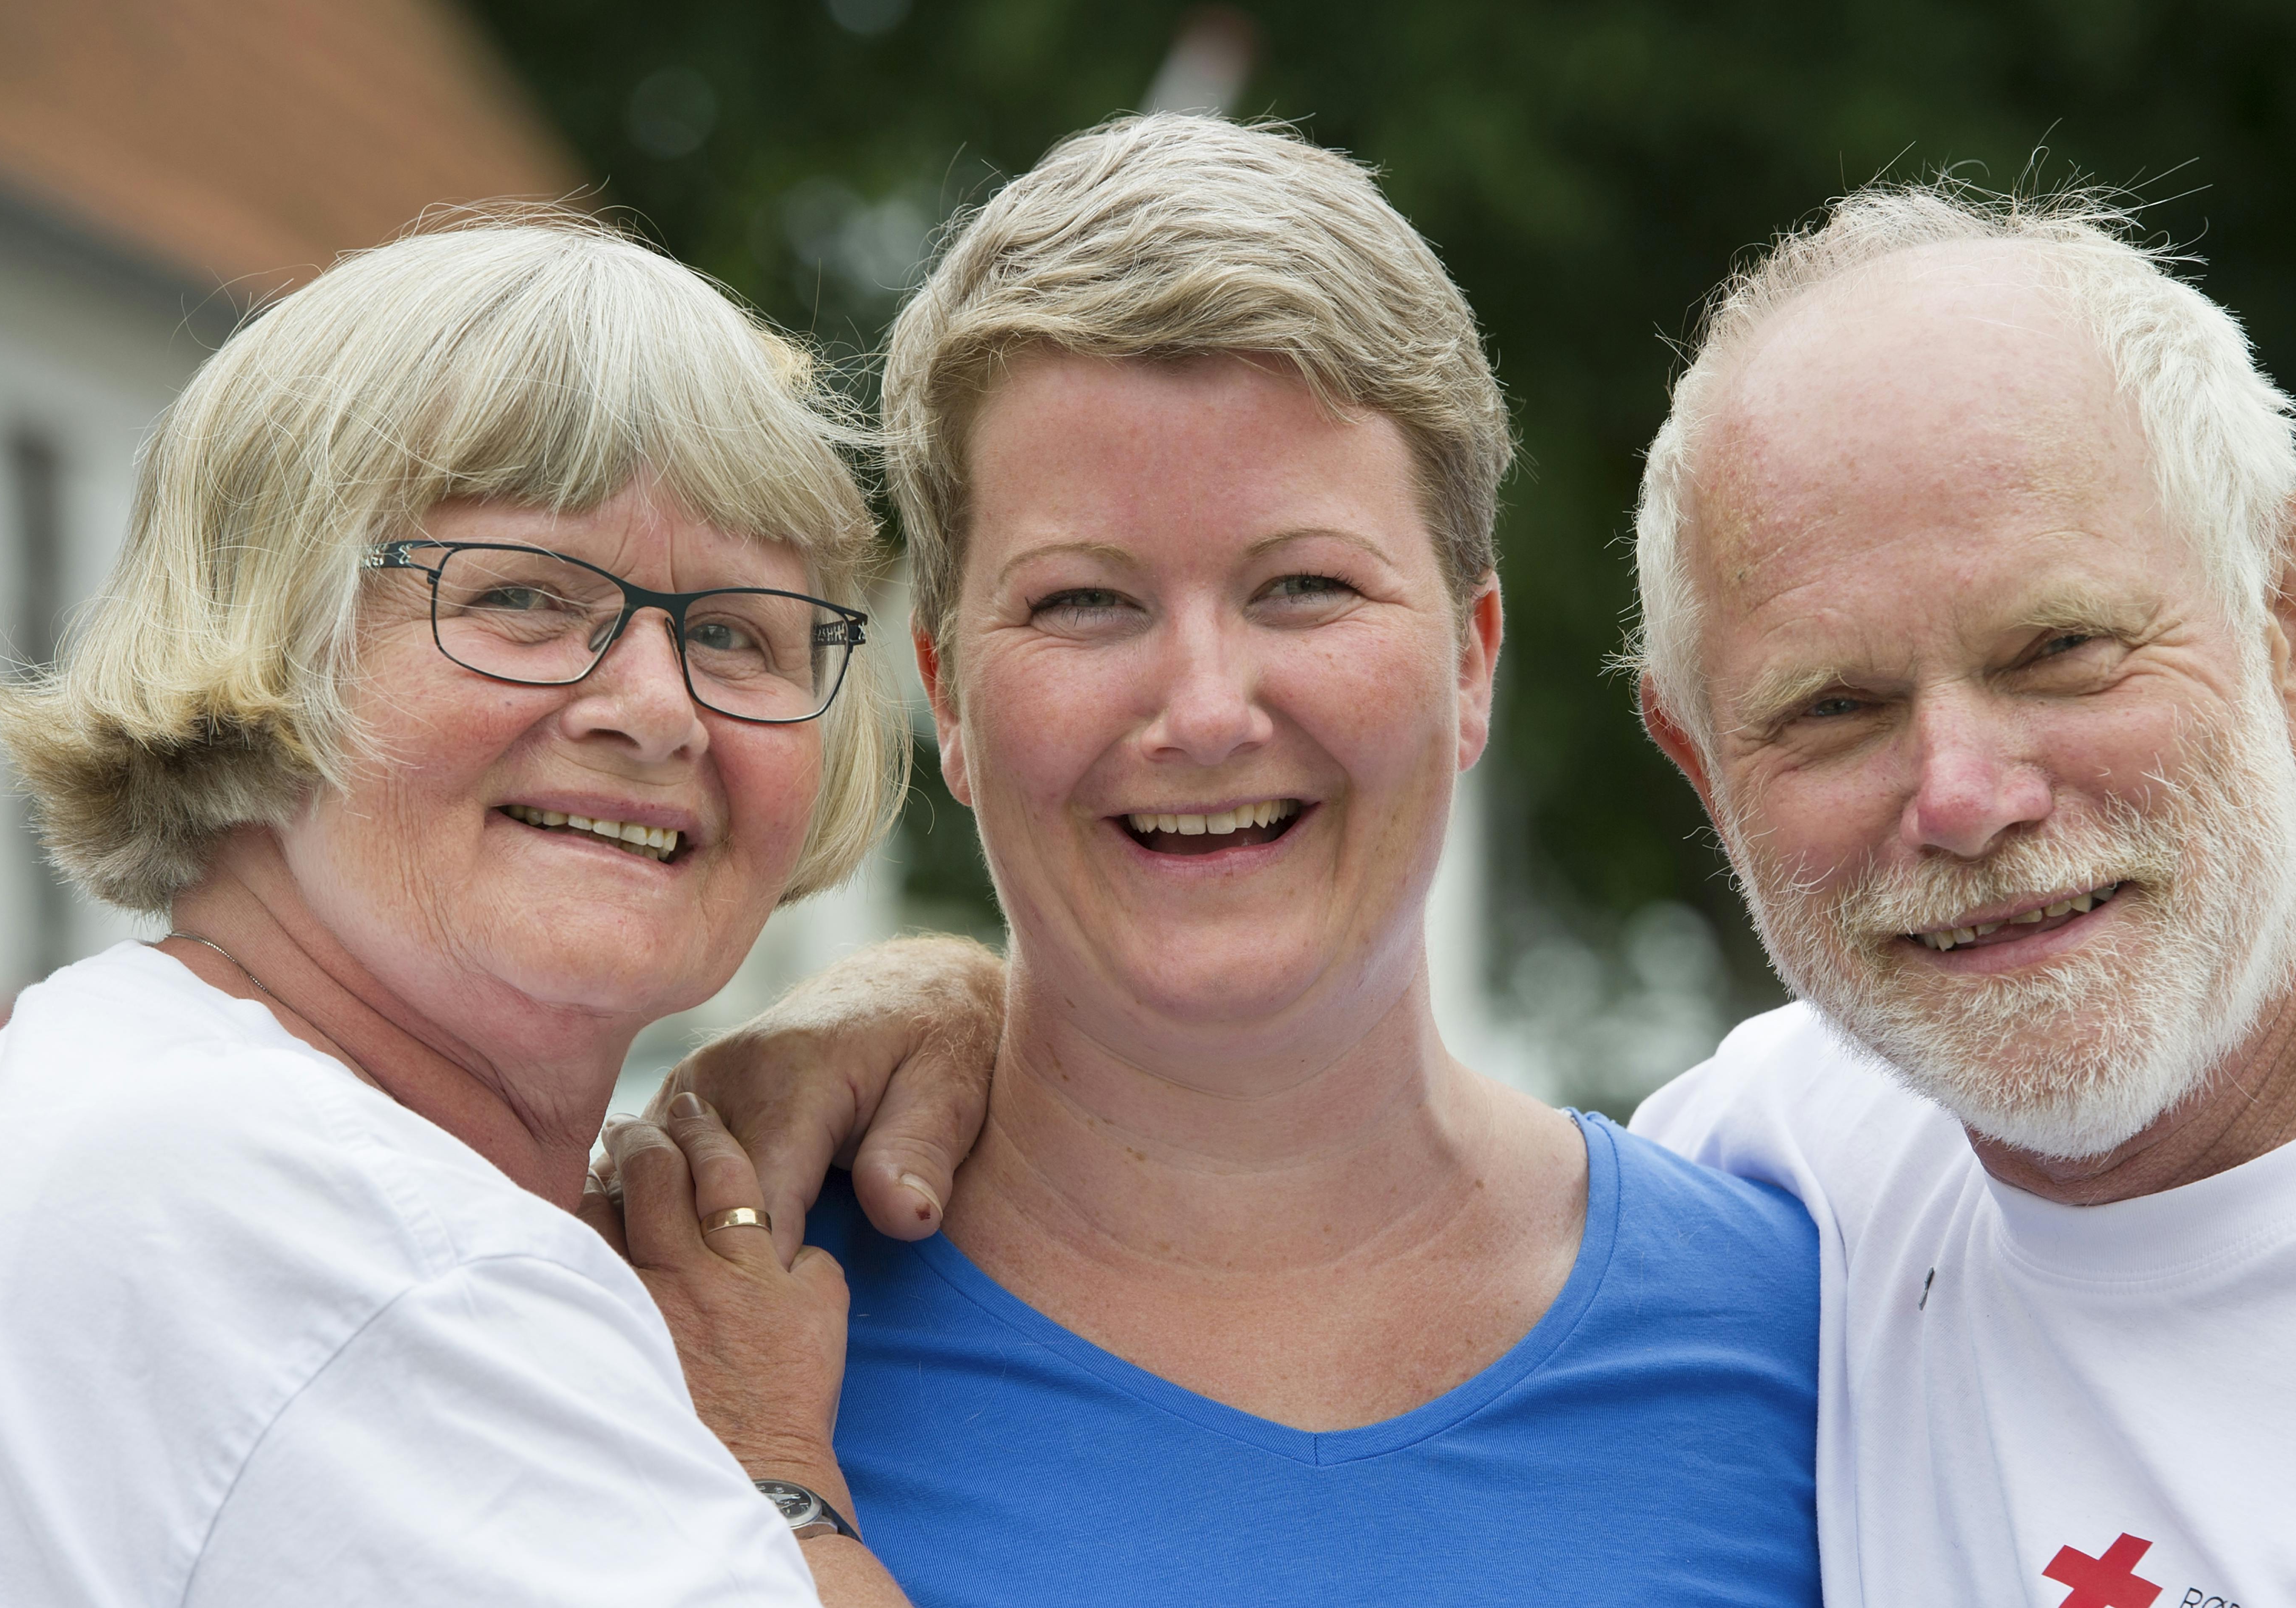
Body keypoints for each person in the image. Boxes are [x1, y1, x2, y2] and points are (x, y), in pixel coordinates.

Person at [703, 183, 2296, 1605]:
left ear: (2295, 621)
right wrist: (900, 1017)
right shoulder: (1802, 1173)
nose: (1959, 796)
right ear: (1700, 766)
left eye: (2058, 649)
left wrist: (779, 1495)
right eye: (1834, 706)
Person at [680, 114, 1823, 1607]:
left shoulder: (1811, 1341)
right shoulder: (695, 1334)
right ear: (946, 693)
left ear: (1473, 663)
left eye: (1303, 586)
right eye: (1086, 602)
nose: (1207, 709)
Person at [0, 216, 917, 1605]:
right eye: (523, 600)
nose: (656, 709)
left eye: (736, 631)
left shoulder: (132, 1075)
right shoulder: (365, 1245)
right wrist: (770, 1459)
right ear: (262, 625)